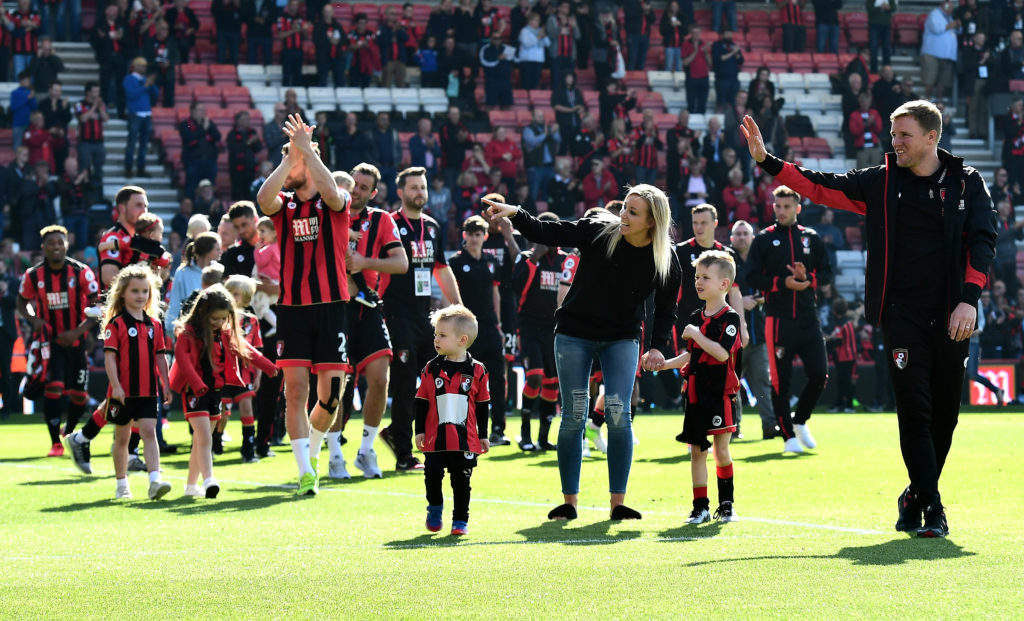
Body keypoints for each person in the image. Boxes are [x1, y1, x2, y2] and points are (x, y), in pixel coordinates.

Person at [740, 100, 997, 537]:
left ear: (932, 137)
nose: (894, 143)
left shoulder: (966, 182)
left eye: (904, 135)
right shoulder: (880, 181)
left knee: (945, 417)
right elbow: (819, 185)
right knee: (914, 412)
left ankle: (914, 495)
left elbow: (984, 241)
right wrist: (768, 162)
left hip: (953, 313)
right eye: (892, 135)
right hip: (899, 315)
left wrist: (969, 299)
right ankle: (934, 508)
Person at [484, 185, 681, 521]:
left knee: (619, 414)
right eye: (625, 208)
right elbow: (549, 230)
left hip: (622, 337)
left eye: (633, 212)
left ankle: (618, 503)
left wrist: (658, 347)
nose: (623, 215)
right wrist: (517, 215)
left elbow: (665, 311)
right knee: (575, 414)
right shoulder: (597, 231)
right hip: (575, 334)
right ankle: (569, 503)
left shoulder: (665, 258)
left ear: (652, 222)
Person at [257, 114, 353, 495]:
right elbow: (263, 200)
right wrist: (288, 159)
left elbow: (331, 193)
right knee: (295, 390)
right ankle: (304, 472)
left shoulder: (335, 202)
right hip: (294, 309)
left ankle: (312, 453)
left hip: (331, 306)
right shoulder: (285, 207)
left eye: (293, 161)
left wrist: (308, 153)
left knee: (330, 397)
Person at [326, 164, 408, 479]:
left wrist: (364, 262)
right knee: (335, 384)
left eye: (363, 187)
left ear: (372, 193)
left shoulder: (381, 219)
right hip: (334, 307)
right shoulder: (329, 213)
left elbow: (401, 264)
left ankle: (366, 450)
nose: (356, 191)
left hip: (366, 305)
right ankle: (334, 454)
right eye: (353, 184)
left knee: (379, 377)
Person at [379, 167, 463, 471]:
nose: (420, 193)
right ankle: (404, 452)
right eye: (413, 187)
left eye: (423, 187)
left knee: (437, 380)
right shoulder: (388, 223)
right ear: (400, 192)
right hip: (395, 312)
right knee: (404, 383)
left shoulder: (432, 226)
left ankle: (421, 439)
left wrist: (458, 308)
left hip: (426, 316)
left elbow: (441, 268)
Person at [650, 250, 740, 524]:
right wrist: (664, 364)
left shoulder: (730, 318)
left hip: (719, 392)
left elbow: (722, 354)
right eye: (696, 276)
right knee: (697, 451)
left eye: (705, 277)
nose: (698, 282)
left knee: (721, 450)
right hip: (695, 391)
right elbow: (692, 355)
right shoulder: (695, 316)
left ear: (723, 284)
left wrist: (697, 334)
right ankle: (700, 506)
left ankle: (727, 505)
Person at [743, 185, 831, 454]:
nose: (781, 211)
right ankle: (788, 436)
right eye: (777, 206)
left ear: (798, 208)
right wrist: (783, 283)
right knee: (781, 382)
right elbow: (751, 277)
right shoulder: (763, 239)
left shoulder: (811, 237)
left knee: (819, 375)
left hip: (808, 319)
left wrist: (807, 280)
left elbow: (827, 273)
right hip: (779, 320)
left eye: (786, 206)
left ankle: (800, 419)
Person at [171, 284, 277, 496]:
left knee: (201, 440)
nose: (218, 323)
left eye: (222, 318)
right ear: (202, 312)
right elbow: (183, 361)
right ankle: (209, 479)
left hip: (215, 391)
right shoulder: (188, 334)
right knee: (204, 436)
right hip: (194, 391)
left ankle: (191, 487)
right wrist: (197, 384)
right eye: (214, 318)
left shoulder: (225, 334)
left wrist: (270, 367)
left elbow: (247, 350)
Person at [17, 225, 100, 456]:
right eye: (51, 243)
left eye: (60, 242)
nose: (56, 246)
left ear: (67, 245)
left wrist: (79, 330)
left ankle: (69, 430)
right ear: (43, 247)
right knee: (53, 389)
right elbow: (22, 302)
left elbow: (97, 304)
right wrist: (34, 321)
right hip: (49, 343)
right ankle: (55, 443)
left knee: (80, 396)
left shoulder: (81, 271)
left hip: (77, 341)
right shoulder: (33, 275)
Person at [414, 304, 491, 536]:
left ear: (462, 339)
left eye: (442, 335)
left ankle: (460, 521)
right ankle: (435, 508)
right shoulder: (431, 368)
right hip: (435, 438)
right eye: (436, 334)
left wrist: (484, 435)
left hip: (465, 440)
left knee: (461, 481)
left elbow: (482, 405)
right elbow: (421, 401)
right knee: (433, 475)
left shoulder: (478, 371)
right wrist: (419, 431)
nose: (436, 339)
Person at [100, 264, 172, 500]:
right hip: (122, 392)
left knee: (149, 432)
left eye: (145, 291)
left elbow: (160, 357)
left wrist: (166, 383)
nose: (140, 296)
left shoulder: (155, 325)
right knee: (122, 437)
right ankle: (122, 484)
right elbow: (110, 358)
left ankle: (155, 481)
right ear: (123, 293)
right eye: (135, 291)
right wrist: (117, 386)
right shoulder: (116, 324)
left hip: (148, 390)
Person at [449, 216, 508, 445]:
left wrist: (499, 325)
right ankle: (464, 428)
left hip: (490, 326)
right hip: (466, 329)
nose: (473, 238)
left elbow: (496, 294)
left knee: (497, 378)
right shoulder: (455, 262)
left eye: (477, 234)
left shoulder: (491, 261)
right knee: (466, 379)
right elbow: (451, 297)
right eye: (470, 234)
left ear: (484, 236)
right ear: (464, 236)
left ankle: (498, 429)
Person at [512, 212, 567, 450]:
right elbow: (516, 287)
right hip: (529, 326)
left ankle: (544, 438)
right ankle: (525, 435)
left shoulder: (567, 260)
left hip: (555, 328)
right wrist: (534, 257)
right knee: (534, 375)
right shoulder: (527, 258)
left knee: (552, 383)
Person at [730, 220, 777, 439]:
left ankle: (770, 425)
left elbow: (775, 289)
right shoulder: (726, 261)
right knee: (732, 385)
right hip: (732, 337)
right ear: (731, 238)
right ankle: (733, 427)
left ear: (752, 237)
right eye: (737, 234)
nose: (741, 237)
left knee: (762, 382)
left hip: (759, 333)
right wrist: (741, 300)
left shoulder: (764, 261)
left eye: (745, 233)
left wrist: (758, 300)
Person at [164, 231, 222, 333]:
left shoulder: (220, 270)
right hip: (188, 330)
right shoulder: (183, 272)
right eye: (217, 249)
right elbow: (175, 302)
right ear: (207, 252)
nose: (220, 252)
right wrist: (171, 328)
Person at [122, 57, 158, 178]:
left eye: (145, 66)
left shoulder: (145, 79)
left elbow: (156, 95)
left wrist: (151, 85)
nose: (144, 68)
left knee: (144, 144)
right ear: (135, 66)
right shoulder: (129, 79)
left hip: (147, 114)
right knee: (132, 142)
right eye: (142, 66)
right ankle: (128, 167)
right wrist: (145, 86)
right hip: (135, 114)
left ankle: (141, 168)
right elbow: (131, 95)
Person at [920, 0, 960, 103]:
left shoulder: (950, 17)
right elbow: (936, 28)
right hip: (932, 53)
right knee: (930, 79)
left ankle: (939, 102)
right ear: (944, 5)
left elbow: (958, 31)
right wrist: (952, 25)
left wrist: (957, 25)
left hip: (946, 55)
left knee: (942, 82)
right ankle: (927, 100)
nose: (952, 8)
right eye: (950, 5)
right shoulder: (934, 14)